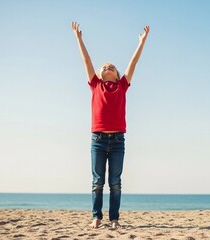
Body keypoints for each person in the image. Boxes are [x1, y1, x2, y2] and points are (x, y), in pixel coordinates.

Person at [71, 21, 149, 229]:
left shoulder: (122, 86)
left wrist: (141, 42)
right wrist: (79, 39)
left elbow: (133, 63)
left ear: (117, 75)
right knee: (98, 182)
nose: (108, 67)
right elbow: (86, 60)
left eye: (112, 67)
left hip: (117, 141)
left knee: (115, 182)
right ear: (98, 74)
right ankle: (96, 216)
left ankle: (114, 219)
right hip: (97, 140)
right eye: (104, 66)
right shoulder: (95, 85)